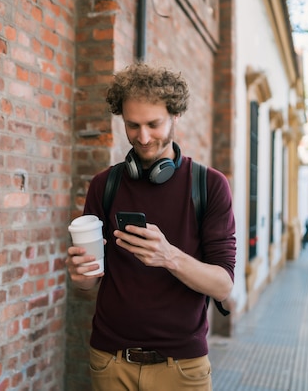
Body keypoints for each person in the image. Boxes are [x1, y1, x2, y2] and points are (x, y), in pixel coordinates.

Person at [65, 63, 236, 390]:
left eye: (153, 124)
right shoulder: (105, 185)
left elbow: (223, 286)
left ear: (175, 115)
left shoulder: (209, 185)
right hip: (110, 361)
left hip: (182, 368)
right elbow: (88, 284)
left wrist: (168, 256)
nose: (143, 137)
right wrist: (80, 274)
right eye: (132, 125)